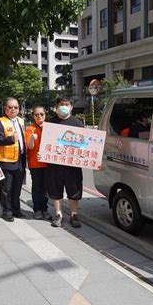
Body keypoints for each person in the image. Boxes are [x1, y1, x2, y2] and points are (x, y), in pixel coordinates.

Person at [46, 96, 84, 228]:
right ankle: (58, 215)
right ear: (56, 106)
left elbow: (85, 146)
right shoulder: (51, 123)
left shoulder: (78, 124)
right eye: (62, 104)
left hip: (72, 166)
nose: (64, 106)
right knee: (56, 190)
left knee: (74, 190)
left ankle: (74, 215)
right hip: (55, 165)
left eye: (67, 104)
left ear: (71, 107)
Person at [0, 97, 26, 222]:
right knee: (6, 188)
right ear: (5, 109)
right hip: (6, 160)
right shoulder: (0, 122)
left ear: (19, 109)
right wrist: (11, 139)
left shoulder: (21, 121)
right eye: (10, 107)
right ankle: (7, 211)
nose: (13, 109)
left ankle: (16, 210)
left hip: (20, 160)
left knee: (17, 188)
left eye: (16, 107)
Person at [25, 106, 52, 220]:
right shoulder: (30, 129)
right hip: (35, 164)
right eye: (37, 114)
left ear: (45, 115)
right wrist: (32, 138)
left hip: (48, 163)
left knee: (46, 188)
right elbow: (29, 146)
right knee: (37, 187)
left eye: (42, 114)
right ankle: (37, 209)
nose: (39, 116)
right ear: (33, 116)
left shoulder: (50, 128)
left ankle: (44, 209)